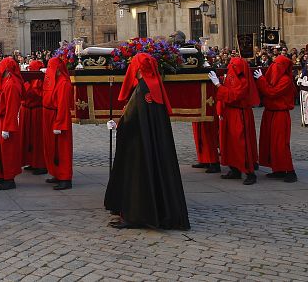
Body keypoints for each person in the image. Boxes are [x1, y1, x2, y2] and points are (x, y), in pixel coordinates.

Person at [104, 53, 190, 230]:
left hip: (139, 145)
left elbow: (133, 118)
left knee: (139, 177)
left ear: (137, 69)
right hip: (152, 143)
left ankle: (137, 215)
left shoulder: (143, 88)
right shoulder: (154, 85)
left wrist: (118, 125)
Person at [209, 57, 259, 185]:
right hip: (229, 112)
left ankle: (249, 172)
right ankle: (235, 169)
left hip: (239, 113)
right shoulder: (232, 76)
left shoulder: (243, 81)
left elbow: (233, 96)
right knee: (229, 142)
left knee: (241, 142)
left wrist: (218, 85)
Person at [253, 55, 298, 183]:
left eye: (276, 64)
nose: (274, 66)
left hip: (280, 114)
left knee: (281, 143)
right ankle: (278, 169)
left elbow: (271, 92)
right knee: (270, 142)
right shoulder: (275, 77)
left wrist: (261, 79)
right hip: (270, 112)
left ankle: (290, 171)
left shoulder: (285, 79)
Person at [0, 57, 24, 190]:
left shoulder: (11, 84)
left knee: (8, 151)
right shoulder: (6, 81)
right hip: (0, 120)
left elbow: (12, 108)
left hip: (6, 121)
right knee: (0, 150)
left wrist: (7, 128)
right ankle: (3, 174)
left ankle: (9, 178)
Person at [42, 56, 74, 190]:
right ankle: (57, 173)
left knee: (62, 149)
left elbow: (63, 106)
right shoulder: (56, 81)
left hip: (57, 117)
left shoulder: (63, 83)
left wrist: (59, 124)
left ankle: (65, 178)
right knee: (52, 148)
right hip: (50, 115)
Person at [20, 60, 46, 175]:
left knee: (37, 138)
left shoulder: (41, 81)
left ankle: (40, 164)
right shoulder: (29, 80)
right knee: (28, 138)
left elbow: (38, 94)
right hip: (27, 110)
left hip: (37, 111)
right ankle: (30, 161)